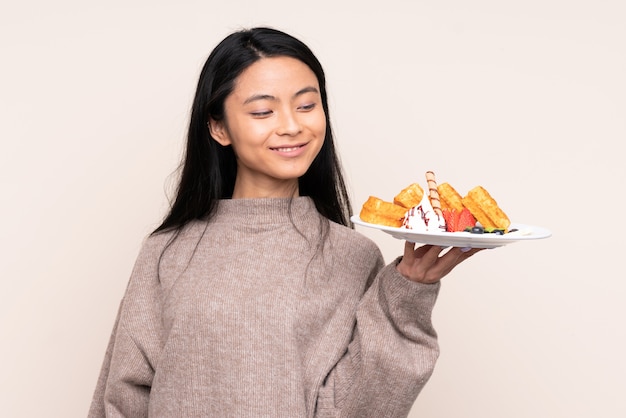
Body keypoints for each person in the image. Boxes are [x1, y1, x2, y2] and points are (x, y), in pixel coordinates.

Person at [88, 27, 481, 418]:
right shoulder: (165, 253)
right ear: (218, 126)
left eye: (307, 106)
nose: (292, 126)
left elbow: (355, 408)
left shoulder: (353, 256)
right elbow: (121, 399)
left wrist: (410, 290)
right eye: (262, 111)